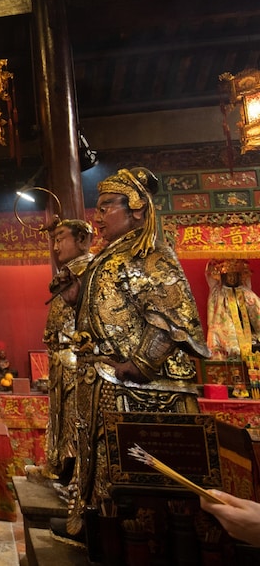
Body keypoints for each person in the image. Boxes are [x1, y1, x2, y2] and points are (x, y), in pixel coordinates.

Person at [56, 167, 210, 539]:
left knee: (132, 471)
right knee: (102, 461)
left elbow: (173, 318)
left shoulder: (150, 254)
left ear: (137, 209)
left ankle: (134, 536)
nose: (98, 215)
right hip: (107, 381)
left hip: (140, 388)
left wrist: (142, 362)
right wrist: (77, 300)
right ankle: (100, 526)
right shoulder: (111, 257)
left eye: (107, 206)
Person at [37, 219, 94, 484]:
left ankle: (77, 475)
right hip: (60, 355)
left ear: (82, 240)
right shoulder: (68, 273)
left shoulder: (91, 271)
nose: (56, 247)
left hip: (77, 357)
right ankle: (58, 465)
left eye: (62, 239)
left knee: (76, 417)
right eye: (55, 241)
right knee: (59, 413)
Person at [206, 259, 260, 360]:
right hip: (226, 327)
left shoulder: (245, 291)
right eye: (229, 276)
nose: (232, 279)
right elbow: (209, 276)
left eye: (234, 276)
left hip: (247, 328)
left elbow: (256, 308)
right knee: (217, 333)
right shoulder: (219, 291)